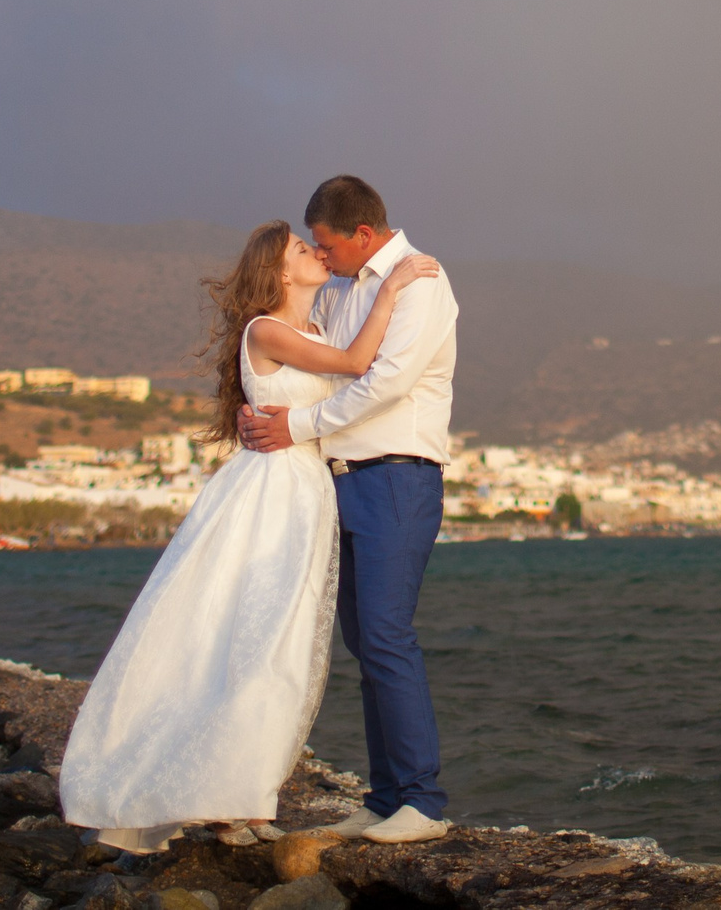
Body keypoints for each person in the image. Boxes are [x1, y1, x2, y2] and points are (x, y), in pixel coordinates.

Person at [54, 216, 441, 853]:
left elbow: (333, 390)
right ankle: (233, 796)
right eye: (300, 247)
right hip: (270, 496)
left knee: (278, 646)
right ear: (279, 271)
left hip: (306, 492)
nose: (315, 251)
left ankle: (242, 793)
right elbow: (354, 364)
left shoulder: (312, 325)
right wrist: (394, 287)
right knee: (251, 638)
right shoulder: (269, 329)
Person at [237, 174, 459, 845]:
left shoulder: (422, 284)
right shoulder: (341, 290)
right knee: (364, 643)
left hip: (398, 476)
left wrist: (295, 426)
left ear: (362, 234)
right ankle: (386, 795)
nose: (321, 255)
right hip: (341, 481)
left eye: (326, 244)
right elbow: (331, 364)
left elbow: (385, 383)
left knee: (388, 634)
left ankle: (423, 800)